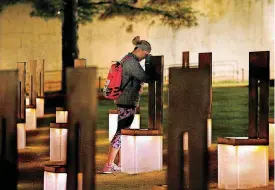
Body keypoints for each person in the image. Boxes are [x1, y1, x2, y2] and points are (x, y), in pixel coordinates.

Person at [102, 36, 151, 173]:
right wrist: (150, 66)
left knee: (122, 129)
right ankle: (109, 164)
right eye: (145, 55)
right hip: (127, 101)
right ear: (140, 50)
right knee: (122, 131)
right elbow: (145, 77)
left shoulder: (127, 59)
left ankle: (118, 163)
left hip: (124, 100)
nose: (145, 58)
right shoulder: (131, 62)